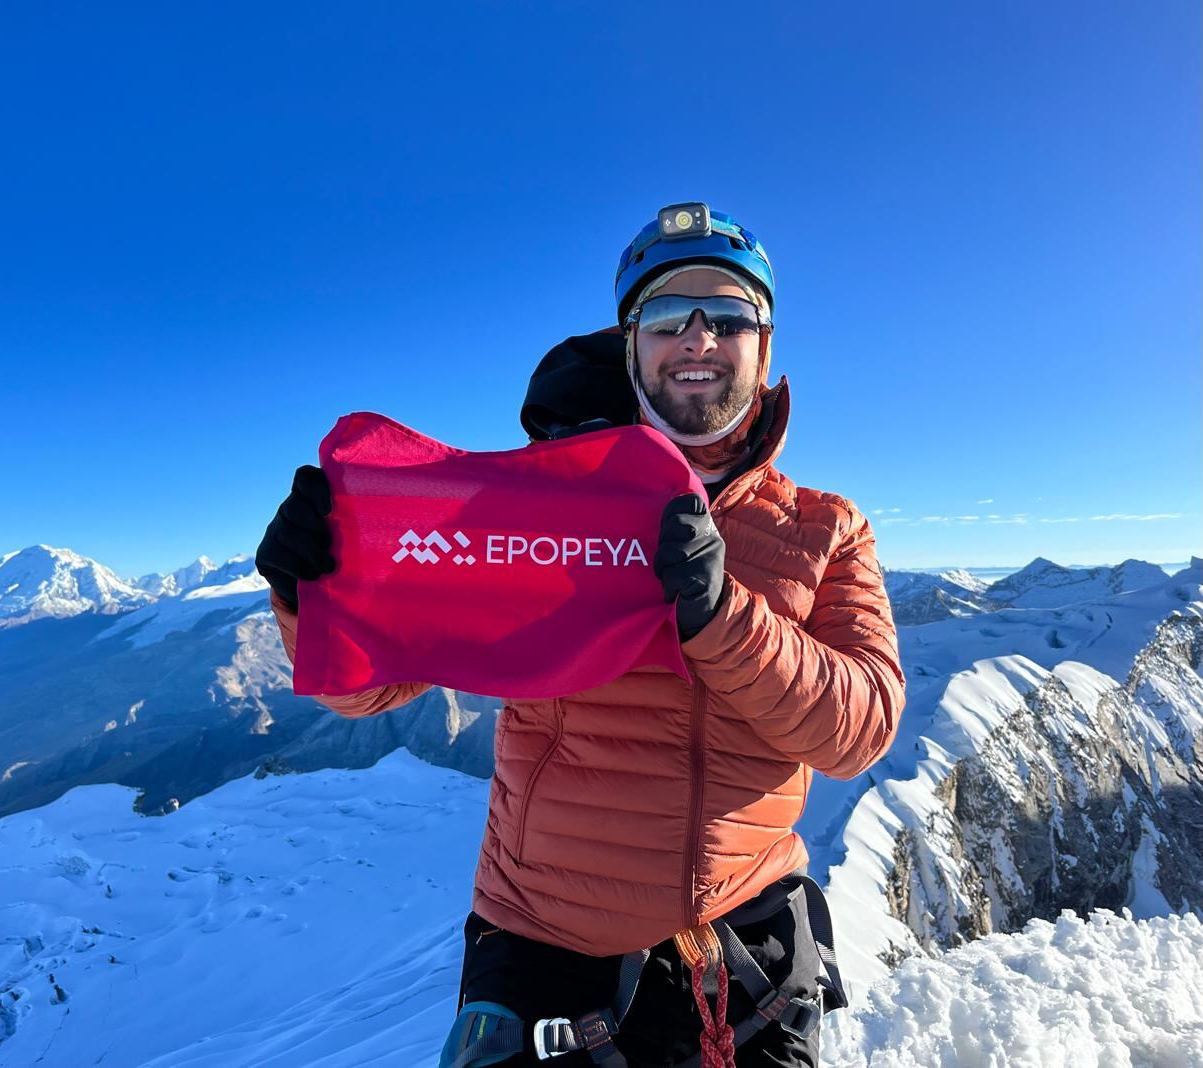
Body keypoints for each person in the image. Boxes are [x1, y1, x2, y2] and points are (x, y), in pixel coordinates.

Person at [255, 204, 906, 1067]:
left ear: (766, 342)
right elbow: (367, 687)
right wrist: (314, 589)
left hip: (740, 947)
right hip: (544, 952)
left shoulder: (825, 530)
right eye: (669, 316)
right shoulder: (540, 506)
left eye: (729, 314)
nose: (699, 339)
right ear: (632, 344)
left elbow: (859, 729)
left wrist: (722, 619)